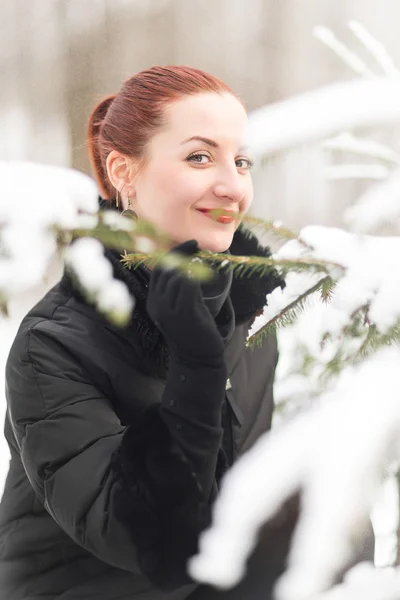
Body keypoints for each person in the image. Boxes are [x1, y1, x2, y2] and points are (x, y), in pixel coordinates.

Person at [0, 65, 369, 600]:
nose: (231, 185)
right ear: (124, 172)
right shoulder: (53, 344)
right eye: (199, 156)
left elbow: (233, 508)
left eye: (240, 160)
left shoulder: (248, 312)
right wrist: (195, 366)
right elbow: (149, 542)